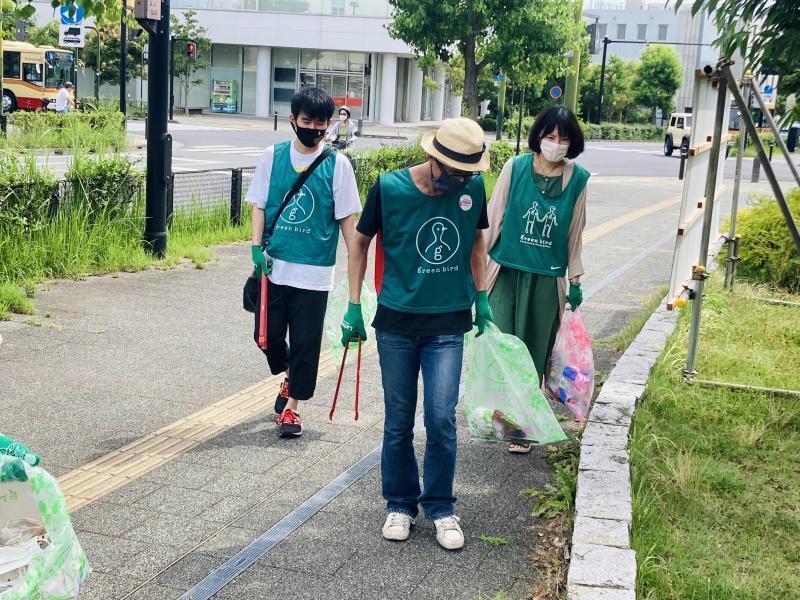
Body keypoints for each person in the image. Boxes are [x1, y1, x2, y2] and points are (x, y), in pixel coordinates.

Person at [341, 118, 493, 550]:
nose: (461, 181)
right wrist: (354, 304)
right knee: (398, 420)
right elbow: (359, 241)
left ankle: (442, 506)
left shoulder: (471, 189)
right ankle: (400, 504)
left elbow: (477, 244)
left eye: (468, 174)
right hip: (397, 324)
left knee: (442, 418)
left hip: (448, 320)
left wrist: (481, 296)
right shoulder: (390, 188)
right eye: (455, 172)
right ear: (433, 157)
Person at [245, 87, 361, 438]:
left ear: (328, 125)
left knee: (307, 343)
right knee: (266, 337)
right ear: (293, 120)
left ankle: (293, 409)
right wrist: (254, 247)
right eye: (306, 120)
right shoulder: (273, 156)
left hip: (315, 274)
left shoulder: (338, 165)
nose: (313, 128)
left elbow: (348, 224)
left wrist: (358, 282)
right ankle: (291, 373)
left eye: (320, 123)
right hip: (274, 267)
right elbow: (259, 205)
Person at [485, 105, 589, 454]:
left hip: (547, 279)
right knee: (502, 342)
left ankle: (523, 425)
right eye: (549, 136)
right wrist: (474, 274)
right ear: (538, 137)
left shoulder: (577, 179)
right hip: (507, 272)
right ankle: (505, 413)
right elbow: (493, 217)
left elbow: (575, 232)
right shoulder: (515, 168)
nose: (555, 143)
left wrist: (575, 278)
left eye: (563, 138)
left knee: (533, 350)